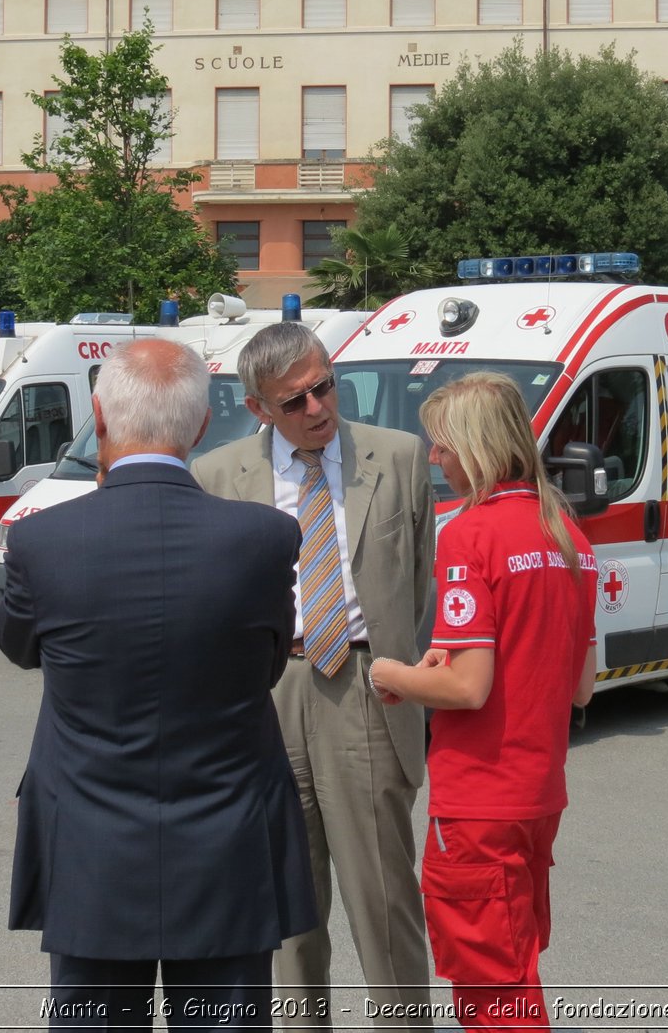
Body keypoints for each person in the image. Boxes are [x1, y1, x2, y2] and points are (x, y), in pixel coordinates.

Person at [0, 339, 316, 1031]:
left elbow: (19, 648)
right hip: (228, 835)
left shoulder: (40, 540)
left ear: (99, 416)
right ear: (202, 427)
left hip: (90, 838)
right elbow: (266, 667)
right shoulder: (266, 537)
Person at [192, 322, 434, 1031]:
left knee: (383, 897)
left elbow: (417, 586)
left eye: (324, 386)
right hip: (267, 691)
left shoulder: (399, 457)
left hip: (366, 682)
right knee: (287, 903)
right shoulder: (219, 477)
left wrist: (397, 674)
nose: (318, 408)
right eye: (293, 401)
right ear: (259, 409)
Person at [368, 372, 599, 1032]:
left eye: (441, 446)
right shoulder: (569, 536)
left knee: (492, 995)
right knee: (515, 973)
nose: (434, 458)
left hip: (479, 801)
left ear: (475, 449)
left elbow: (468, 687)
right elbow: (581, 684)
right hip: (537, 794)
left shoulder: (470, 533)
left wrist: (394, 672)